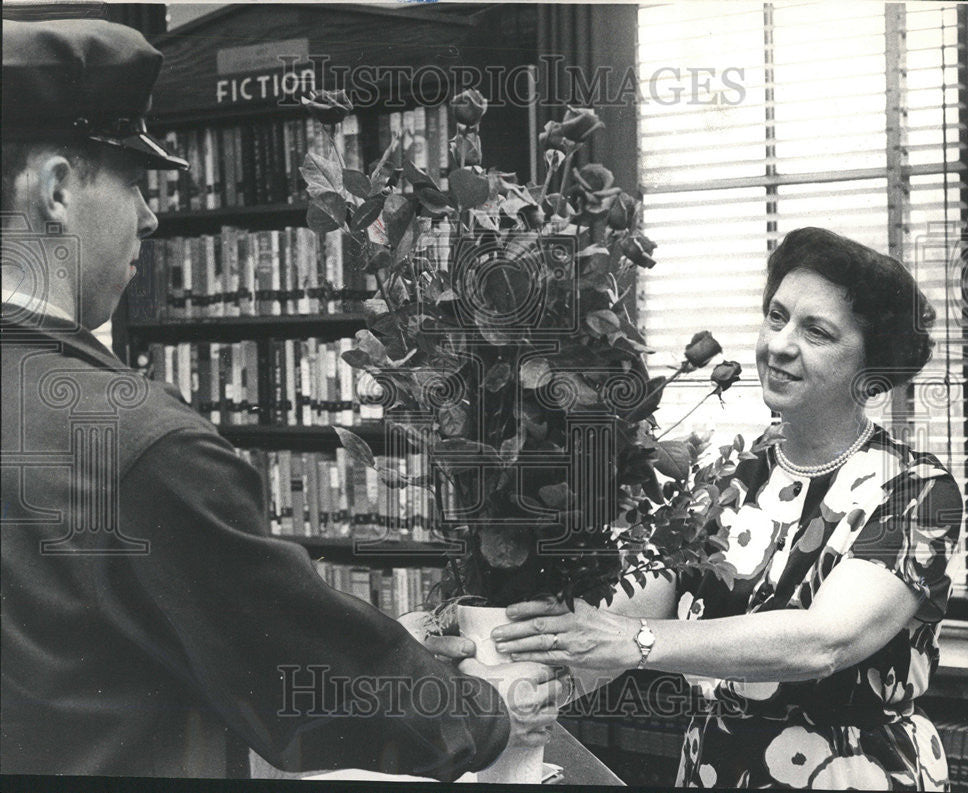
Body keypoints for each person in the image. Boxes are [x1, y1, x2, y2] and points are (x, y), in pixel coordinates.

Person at [1, 18, 563, 780]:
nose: (150, 214)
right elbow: (308, 688)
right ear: (59, 189)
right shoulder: (140, 446)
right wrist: (487, 712)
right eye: (132, 179)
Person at [490, 227, 963, 790]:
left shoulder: (918, 490)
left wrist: (631, 639)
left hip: (852, 774)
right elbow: (652, 595)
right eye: (777, 316)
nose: (780, 344)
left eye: (816, 331)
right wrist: (540, 662)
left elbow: (824, 642)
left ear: (872, 370)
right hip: (716, 765)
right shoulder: (735, 472)